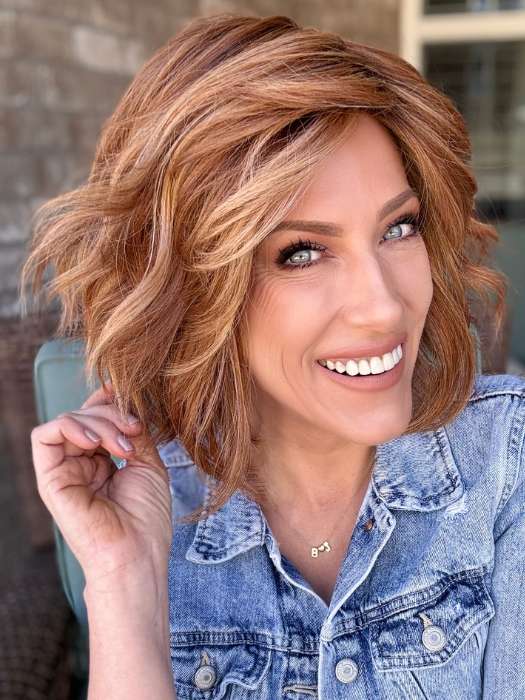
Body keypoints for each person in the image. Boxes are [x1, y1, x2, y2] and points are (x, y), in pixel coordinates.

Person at [19, 12, 525, 700]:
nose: (383, 307)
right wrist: (123, 583)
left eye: (397, 227)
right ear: (193, 288)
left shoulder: (505, 462)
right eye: (302, 253)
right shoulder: (145, 507)